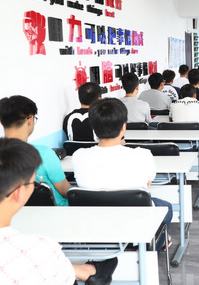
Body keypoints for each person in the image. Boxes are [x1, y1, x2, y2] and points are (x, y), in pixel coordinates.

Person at [0, 138, 119, 285]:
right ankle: (90, 271)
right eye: (33, 183)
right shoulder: (40, 248)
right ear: (19, 193)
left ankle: (88, 271)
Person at [72, 98, 173, 249]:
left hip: (94, 224)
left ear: (93, 127)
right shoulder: (143, 155)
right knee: (166, 207)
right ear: (124, 127)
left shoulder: (78, 156)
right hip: (135, 223)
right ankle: (151, 249)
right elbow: (148, 182)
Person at [0, 95, 72, 206]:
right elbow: (65, 191)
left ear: (1, 121)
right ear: (30, 119)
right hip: (56, 213)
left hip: (14, 214)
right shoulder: (44, 154)